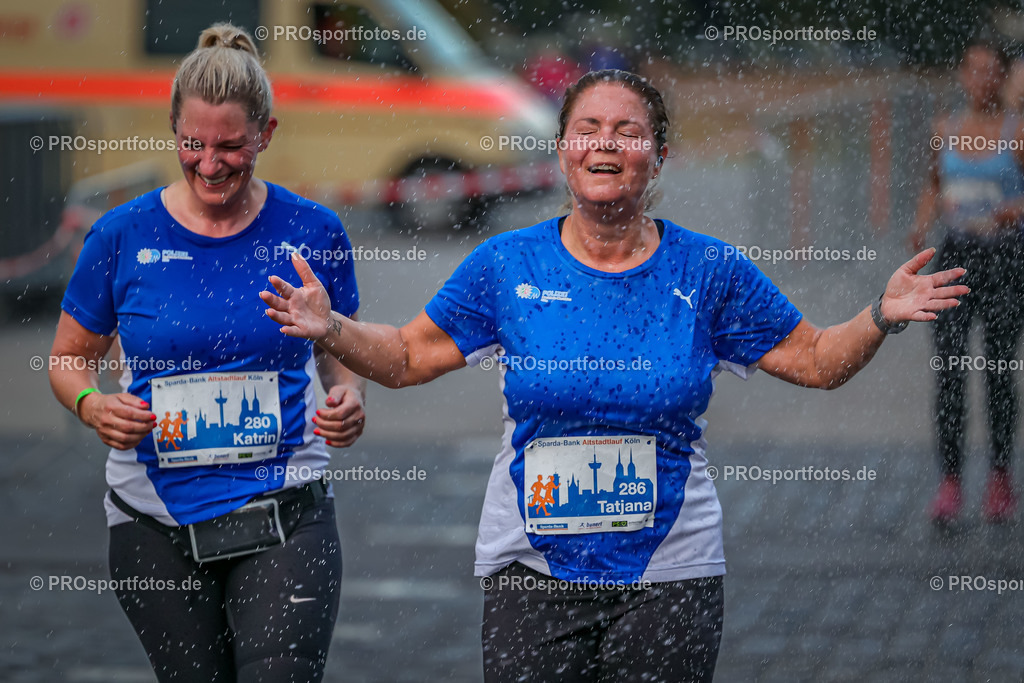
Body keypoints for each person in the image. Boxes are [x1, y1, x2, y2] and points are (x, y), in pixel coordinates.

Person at [262, 69, 968, 682]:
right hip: (530, 574)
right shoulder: (508, 265)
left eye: (627, 132)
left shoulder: (709, 271)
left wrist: (880, 313)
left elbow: (816, 359)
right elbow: (409, 356)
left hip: (669, 574)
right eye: (588, 128)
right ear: (564, 150)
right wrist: (334, 329)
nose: (606, 142)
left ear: (657, 158)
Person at [48, 24, 365, 682]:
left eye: (232, 146)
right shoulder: (120, 234)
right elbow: (66, 358)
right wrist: (89, 404)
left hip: (285, 509)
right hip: (154, 520)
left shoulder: (313, 230)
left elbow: (339, 345)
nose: (211, 164)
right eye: (193, 144)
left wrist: (348, 393)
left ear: (266, 134)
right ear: (172, 128)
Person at [909, 40, 1024, 524]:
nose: (982, 80)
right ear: (962, 77)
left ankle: (999, 479)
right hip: (955, 258)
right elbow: (934, 185)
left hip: (1005, 259)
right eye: (974, 71)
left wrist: (1011, 211)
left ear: (1002, 78)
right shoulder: (945, 128)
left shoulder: (1016, 131)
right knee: (950, 371)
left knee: (999, 370)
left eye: (991, 72)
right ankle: (950, 483)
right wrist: (920, 225)